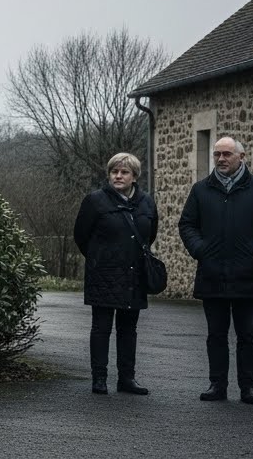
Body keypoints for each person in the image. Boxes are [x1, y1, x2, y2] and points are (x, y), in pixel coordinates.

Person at [178, 136, 253, 405]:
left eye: (226, 154)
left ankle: (248, 387)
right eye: (217, 155)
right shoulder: (201, 190)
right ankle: (217, 384)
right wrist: (201, 250)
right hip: (212, 273)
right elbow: (187, 224)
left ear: (242, 157)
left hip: (248, 274)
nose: (221, 159)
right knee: (216, 334)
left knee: (247, 335)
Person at [74, 152, 157, 396]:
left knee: (128, 329)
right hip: (104, 274)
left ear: (134, 176)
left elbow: (150, 234)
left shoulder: (146, 202)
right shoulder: (95, 201)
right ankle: (99, 378)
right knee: (101, 328)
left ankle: (126, 379)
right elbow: (81, 236)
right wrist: (101, 258)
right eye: (114, 172)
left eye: (124, 172)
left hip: (134, 274)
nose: (118, 176)